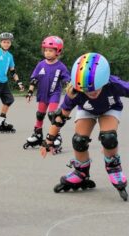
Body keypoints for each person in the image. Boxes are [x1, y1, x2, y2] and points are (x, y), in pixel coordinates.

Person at [41, 53, 128, 201]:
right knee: (79, 140)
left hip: (110, 109)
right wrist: (49, 140)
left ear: (105, 80)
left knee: (109, 138)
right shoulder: (75, 92)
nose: (91, 94)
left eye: (94, 90)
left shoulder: (114, 84)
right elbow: (60, 117)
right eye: (86, 91)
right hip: (86, 110)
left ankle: (113, 166)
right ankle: (81, 171)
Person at [23, 36, 70, 153]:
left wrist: (69, 87)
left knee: (52, 115)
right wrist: (29, 92)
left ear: (58, 51)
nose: (47, 53)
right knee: (40, 114)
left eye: (50, 50)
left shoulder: (61, 66)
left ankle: (56, 136)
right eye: (46, 50)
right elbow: (34, 79)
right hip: (42, 93)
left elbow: (66, 80)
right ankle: (38, 134)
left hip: (54, 93)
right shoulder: (40, 65)